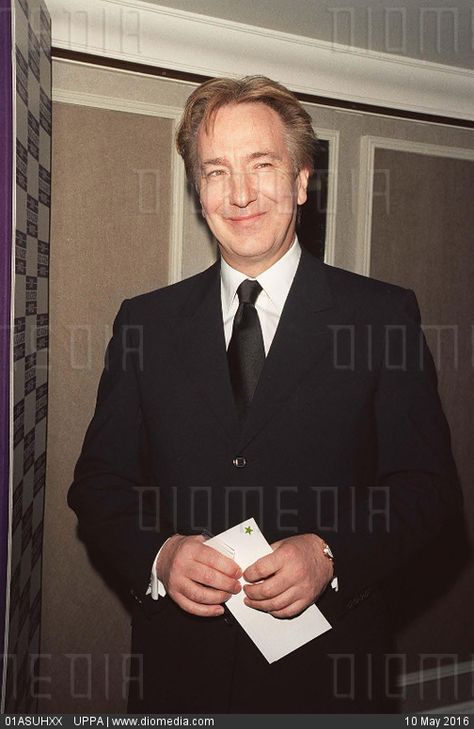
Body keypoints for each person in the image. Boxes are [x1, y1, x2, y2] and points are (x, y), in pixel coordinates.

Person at [68, 76, 461, 713]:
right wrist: (161, 554)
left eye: (263, 165)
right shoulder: (144, 322)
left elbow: (427, 488)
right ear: (199, 190)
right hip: (178, 672)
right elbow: (98, 481)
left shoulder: (381, 317)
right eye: (217, 170)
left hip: (330, 677)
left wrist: (331, 552)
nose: (242, 194)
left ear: (302, 181)